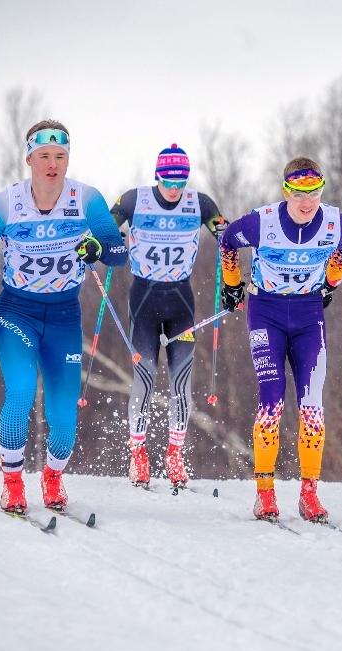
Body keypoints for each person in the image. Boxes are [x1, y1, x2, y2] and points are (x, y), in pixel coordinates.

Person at [0, 120, 129, 514]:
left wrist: (96, 245)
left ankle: (52, 476)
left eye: (60, 156)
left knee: (63, 415)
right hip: (17, 310)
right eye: (44, 156)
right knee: (19, 393)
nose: (52, 165)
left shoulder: (87, 198)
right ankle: (13, 484)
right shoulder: (6, 202)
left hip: (65, 316)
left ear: (68, 159)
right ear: (30, 159)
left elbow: (118, 252)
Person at [218, 156, 342, 523]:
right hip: (267, 314)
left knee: (312, 407)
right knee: (273, 401)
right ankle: (265, 494)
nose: (307, 203)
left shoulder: (335, 223)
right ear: (286, 192)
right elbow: (228, 241)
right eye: (299, 195)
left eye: (314, 193)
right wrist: (231, 286)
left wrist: (331, 283)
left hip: (310, 317)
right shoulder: (261, 223)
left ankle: (309, 495)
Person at [109, 144, 227, 489]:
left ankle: (174, 454)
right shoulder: (134, 199)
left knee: (182, 384)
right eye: (168, 180)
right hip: (143, 299)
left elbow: (221, 224)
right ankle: (139, 454)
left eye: (180, 181)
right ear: (157, 176)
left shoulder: (199, 202)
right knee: (144, 378)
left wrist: (224, 232)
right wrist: (107, 236)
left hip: (180, 303)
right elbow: (103, 226)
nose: (174, 188)